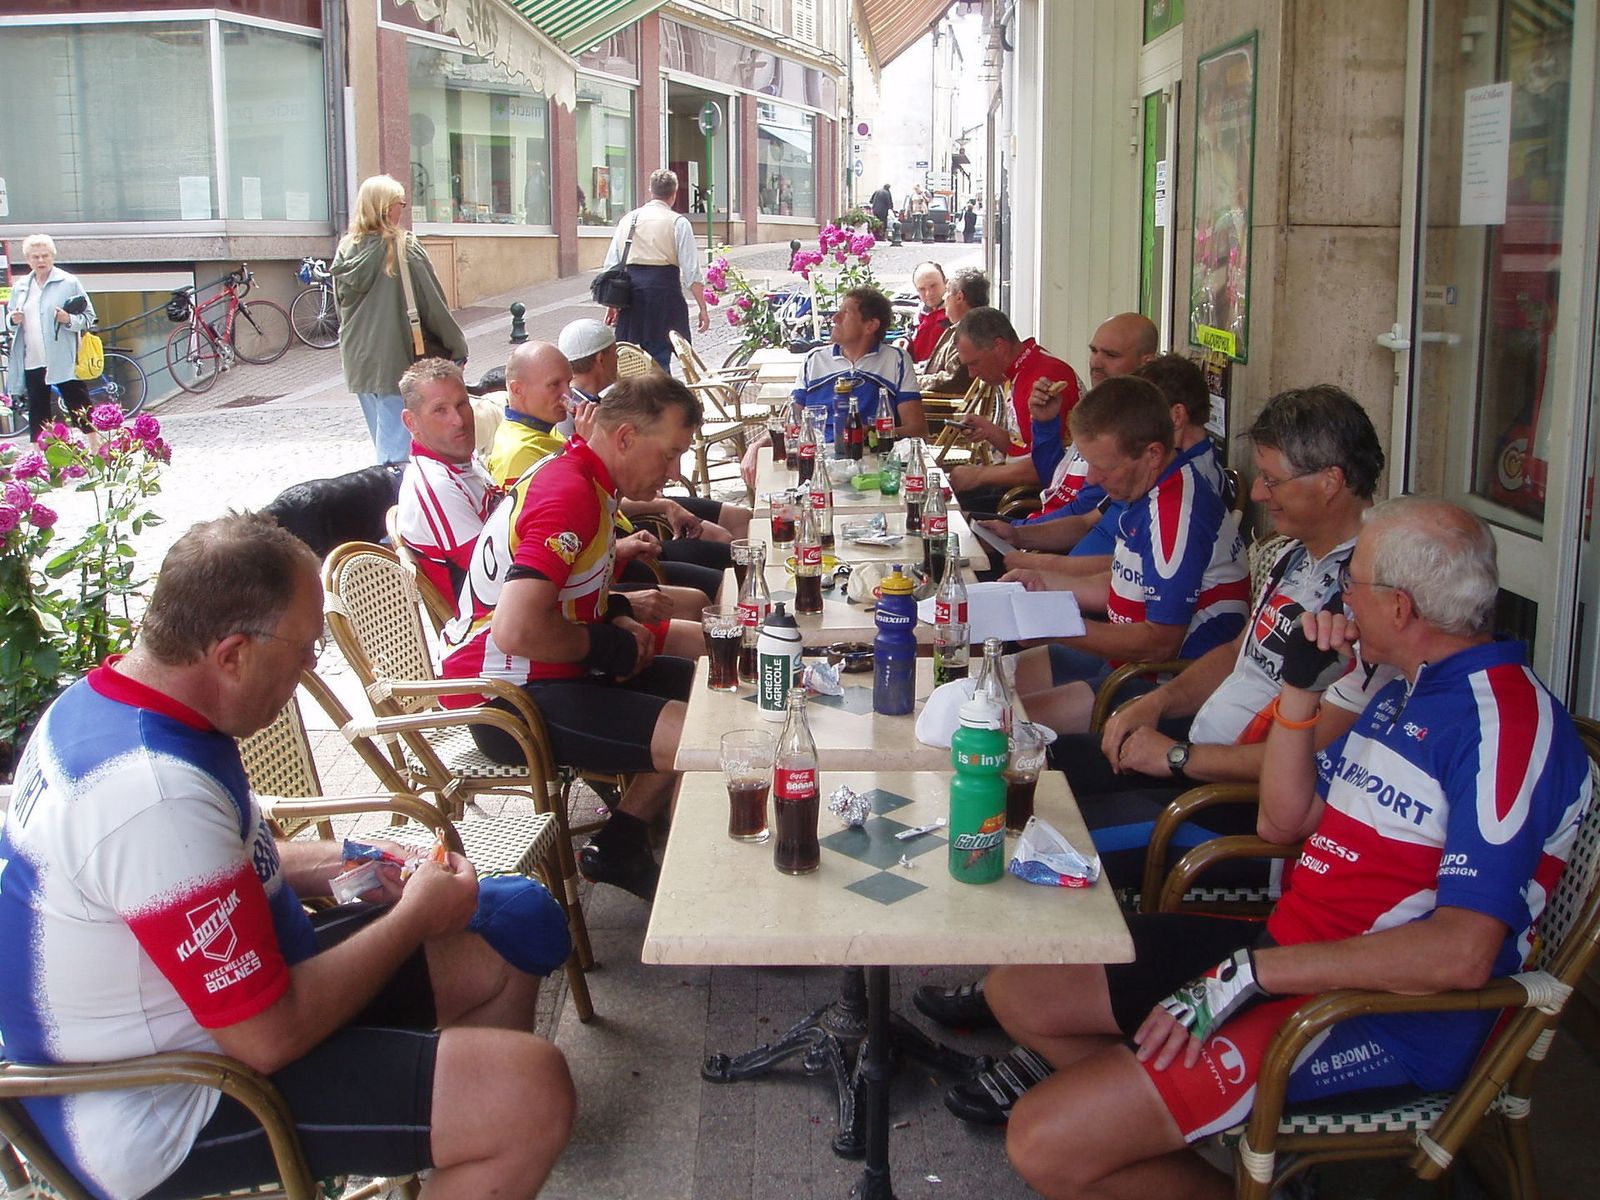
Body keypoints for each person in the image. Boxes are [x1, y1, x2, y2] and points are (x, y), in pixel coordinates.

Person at [940, 499, 1592, 1200]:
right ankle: (1174, 1115)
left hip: (1376, 1010)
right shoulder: (1404, 689)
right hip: (1290, 946)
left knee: (1044, 1142)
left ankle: (1155, 1116)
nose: (1340, 600)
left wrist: (1255, 974)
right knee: (1023, 991)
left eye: (1354, 585)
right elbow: (1286, 821)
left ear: (1400, 608)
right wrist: (1300, 692)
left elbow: (1460, 953)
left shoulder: (1503, 725)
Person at [0, 513, 575, 1200]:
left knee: (505, 925)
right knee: (528, 1095)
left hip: (209, 1020)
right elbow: (268, 1037)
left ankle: (456, 1140)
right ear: (233, 654)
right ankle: (482, 1127)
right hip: (156, 1109)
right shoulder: (150, 794)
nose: (310, 668)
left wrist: (342, 860)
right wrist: (413, 919)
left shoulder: (109, 704)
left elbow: (210, 863)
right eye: (305, 649)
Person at [916, 387, 1394, 1034]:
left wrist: (1176, 754)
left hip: (1229, 800)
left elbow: (1310, 755)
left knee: (1037, 833)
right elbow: (1235, 652)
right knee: (1021, 768)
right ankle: (1021, 984)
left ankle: (1025, 1003)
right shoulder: (1293, 555)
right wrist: (1161, 703)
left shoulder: (1363, 594)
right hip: (1193, 747)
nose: (1258, 493)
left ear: (1331, 482)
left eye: (1273, 479)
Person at [443, 375, 706, 900]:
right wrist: (607, 646)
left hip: (541, 672)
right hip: (504, 700)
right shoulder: (571, 493)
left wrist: (614, 615)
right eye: (670, 454)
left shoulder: (584, 474)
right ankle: (696, 899)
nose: (675, 472)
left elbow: (558, 596)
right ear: (625, 437)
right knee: (698, 737)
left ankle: (621, 843)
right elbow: (516, 628)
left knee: (706, 693)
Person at [1004, 375, 1249, 735]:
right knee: (991, 684)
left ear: (1153, 454)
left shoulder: (1175, 513)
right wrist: (1043, 584)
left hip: (1164, 685)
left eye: (1103, 467)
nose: (1091, 479)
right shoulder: (1147, 488)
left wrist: (1057, 625)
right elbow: (1125, 581)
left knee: (1000, 726)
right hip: (1125, 661)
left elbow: (1159, 644)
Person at [485, 340, 718, 613]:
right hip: (604, 570)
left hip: (609, 556)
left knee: (716, 573)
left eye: (568, 382)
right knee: (717, 581)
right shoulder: (531, 460)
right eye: (554, 385)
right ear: (517, 390)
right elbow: (517, 624)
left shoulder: (550, 434)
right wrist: (618, 609)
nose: (567, 394)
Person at [980, 352, 1211, 569]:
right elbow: (1085, 521)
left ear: (1175, 416)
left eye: (1111, 355)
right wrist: (1016, 534)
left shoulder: (1184, 483)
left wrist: (1041, 567)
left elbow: (1129, 572)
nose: (1096, 363)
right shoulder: (1143, 465)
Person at [561, 317, 752, 544]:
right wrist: (661, 507)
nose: (675, 474)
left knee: (740, 519)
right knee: (722, 539)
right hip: (631, 521)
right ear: (602, 358)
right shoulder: (571, 422)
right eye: (668, 455)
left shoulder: (606, 401)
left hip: (635, 511)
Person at [332, 174, 467, 465]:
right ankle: (396, 492)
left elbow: (340, 307)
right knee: (397, 451)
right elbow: (433, 306)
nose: (402, 209)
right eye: (400, 203)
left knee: (382, 437)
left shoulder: (346, 249)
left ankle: (389, 484)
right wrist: (457, 348)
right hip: (396, 357)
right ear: (385, 207)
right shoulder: (404, 247)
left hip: (359, 360)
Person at [942, 307, 1082, 513]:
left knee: (947, 511)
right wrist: (990, 431)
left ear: (999, 346)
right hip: (1026, 488)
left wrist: (979, 475)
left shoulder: (1043, 377)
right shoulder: (1022, 368)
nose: (971, 374)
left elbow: (1047, 467)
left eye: (975, 363)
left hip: (1047, 498)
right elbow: (1025, 449)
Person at [394, 358, 503, 606]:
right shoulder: (436, 484)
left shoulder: (463, 462)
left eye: (462, 404)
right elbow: (492, 574)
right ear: (411, 422)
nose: (458, 420)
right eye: (440, 410)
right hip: (490, 620)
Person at [777, 285, 927, 450]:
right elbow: (791, 419)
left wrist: (873, 433)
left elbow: (917, 430)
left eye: (845, 313)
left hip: (870, 454)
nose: (834, 318)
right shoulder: (814, 359)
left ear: (870, 326)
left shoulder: (896, 360)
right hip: (816, 452)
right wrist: (765, 442)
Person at [600, 168, 710, 370]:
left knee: (630, 361)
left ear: (650, 190)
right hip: (664, 299)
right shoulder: (678, 223)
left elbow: (611, 266)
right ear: (674, 194)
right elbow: (692, 273)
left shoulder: (628, 220)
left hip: (631, 299)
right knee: (660, 360)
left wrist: (612, 304)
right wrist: (702, 308)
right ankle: (660, 389)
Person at [4, 233, 95, 441]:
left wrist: (68, 319)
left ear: (52, 256)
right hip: (32, 359)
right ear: (28, 260)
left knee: (78, 403)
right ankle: (39, 455)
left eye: (45, 255)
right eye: (35, 257)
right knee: (37, 410)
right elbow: (10, 319)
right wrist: (12, 320)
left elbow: (89, 317)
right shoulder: (21, 286)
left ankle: (96, 448)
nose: (41, 260)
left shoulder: (68, 282)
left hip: (62, 357)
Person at [917, 268, 987, 395]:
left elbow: (952, 380)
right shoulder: (968, 327)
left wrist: (914, 381)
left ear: (959, 297)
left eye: (947, 292)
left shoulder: (969, 334)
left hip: (936, 405)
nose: (944, 298)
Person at [907, 262, 949, 364]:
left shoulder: (955, 314)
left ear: (946, 283)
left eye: (933, 286)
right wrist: (905, 340)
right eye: (922, 289)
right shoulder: (920, 313)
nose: (929, 293)